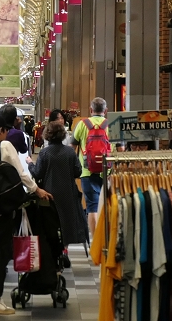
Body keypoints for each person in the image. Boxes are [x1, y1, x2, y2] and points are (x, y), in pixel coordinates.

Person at [0, 115, 51, 315]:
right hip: (2, 208)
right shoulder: (5, 146)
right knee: (1, 252)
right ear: (1, 130)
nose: (7, 133)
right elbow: (21, 173)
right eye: (6, 130)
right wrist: (37, 190)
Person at [29, 122, 87, 251]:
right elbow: (78, 171)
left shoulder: (45, 153)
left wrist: (30, 164)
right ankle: (64, 249)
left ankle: (54, 254)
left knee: (51, 226)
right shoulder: (70, 152)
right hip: (68, 194)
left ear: (47, 135)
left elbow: (37, 173)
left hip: (49, 196)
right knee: (65, 224)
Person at [72, 97, 108, 237]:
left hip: (86, 170)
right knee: (106, 206)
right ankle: (105, 238)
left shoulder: (82, 124)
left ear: (91, 110)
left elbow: (72, 147)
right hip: (107, 171)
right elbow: (121, 149)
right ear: (106, 110)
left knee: (92, 206)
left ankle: (96, 241)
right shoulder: (111, 124)